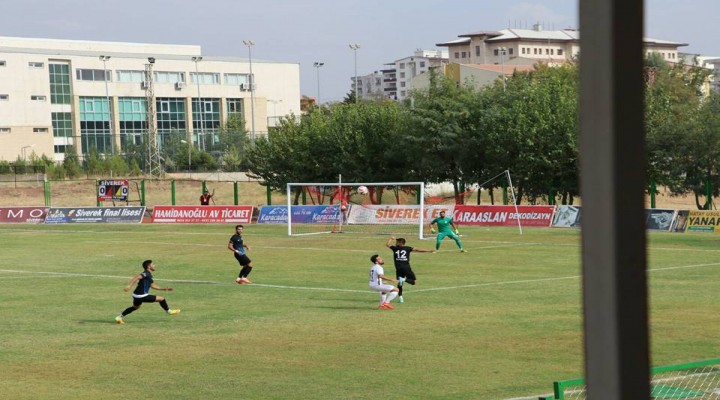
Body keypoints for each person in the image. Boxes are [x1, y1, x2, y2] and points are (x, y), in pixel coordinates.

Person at [115, 260, 180, 324]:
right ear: (149, 266)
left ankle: (119, 317)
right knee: (161, 299)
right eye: (153, 264)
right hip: (142, 295)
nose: (154, 265)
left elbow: (152, 285)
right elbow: (137, 277)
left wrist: (164, 289)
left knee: (135, 307)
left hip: (136, 295)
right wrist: (129, 286)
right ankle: (169, 311)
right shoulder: (146, 273)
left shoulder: (149, 275)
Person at [386, 236, 433, 303]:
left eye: (397, 242)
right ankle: (404, 279)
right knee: (413, 281)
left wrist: (390, 239)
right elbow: (418, 250)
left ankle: (400, 297)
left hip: (398, 268)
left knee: (400, 284)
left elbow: (387, 244)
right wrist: (428, 251)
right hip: (406, 268)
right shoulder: (407, 248)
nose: (396, 243)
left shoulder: (395, 248)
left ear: (401, 243)